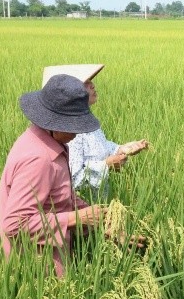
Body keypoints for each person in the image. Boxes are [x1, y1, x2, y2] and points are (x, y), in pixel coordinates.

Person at [0, 74, 105, 277]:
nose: (77, 133)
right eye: (73, 125)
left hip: (50, 257)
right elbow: (14, 224)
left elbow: (60, 197)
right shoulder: (39, 158)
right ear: (55, 123)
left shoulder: (46, 141)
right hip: (34, 271)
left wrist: (98, 220)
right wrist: (76, 218)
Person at [42, 65, 149, 202]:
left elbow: (99, 146)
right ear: (69, 95)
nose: (92, 85)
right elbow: (71, 180)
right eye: (86, 83)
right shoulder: (68, 132)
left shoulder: (87, 121)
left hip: (97, 206)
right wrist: (106, 166)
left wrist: (122, 148)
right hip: (81, 212)